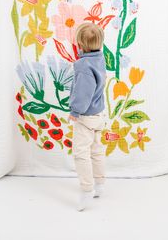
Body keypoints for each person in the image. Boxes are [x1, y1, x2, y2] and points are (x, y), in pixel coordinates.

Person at [68, 23, 107, 211]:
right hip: (99, 114)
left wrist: (75, 111)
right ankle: (100, 184)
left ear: (80, 45)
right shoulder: (100, 58)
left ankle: (86, 190)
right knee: (96, 151)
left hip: (86, 116)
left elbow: (84, 92)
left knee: (81, 153)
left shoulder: (83, 66)